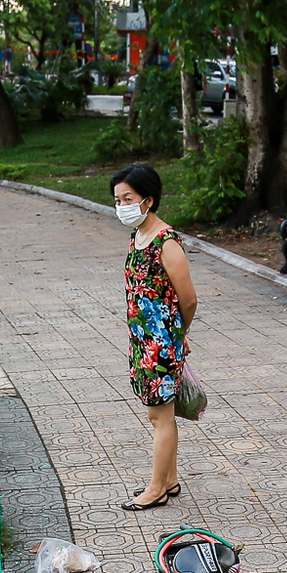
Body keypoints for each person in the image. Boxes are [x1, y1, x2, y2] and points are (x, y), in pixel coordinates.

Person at [112, 163, 197, 511]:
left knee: (159, 417)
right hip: (143, 343)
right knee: (162, 415)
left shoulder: (166, 242)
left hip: (159, 346)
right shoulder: (138, 237)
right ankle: (170, 478)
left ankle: (156, 488)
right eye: (117, 200)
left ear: (148, 200)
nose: (121, 207)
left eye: (127, 198)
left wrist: (178, 335)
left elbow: (188, 299)